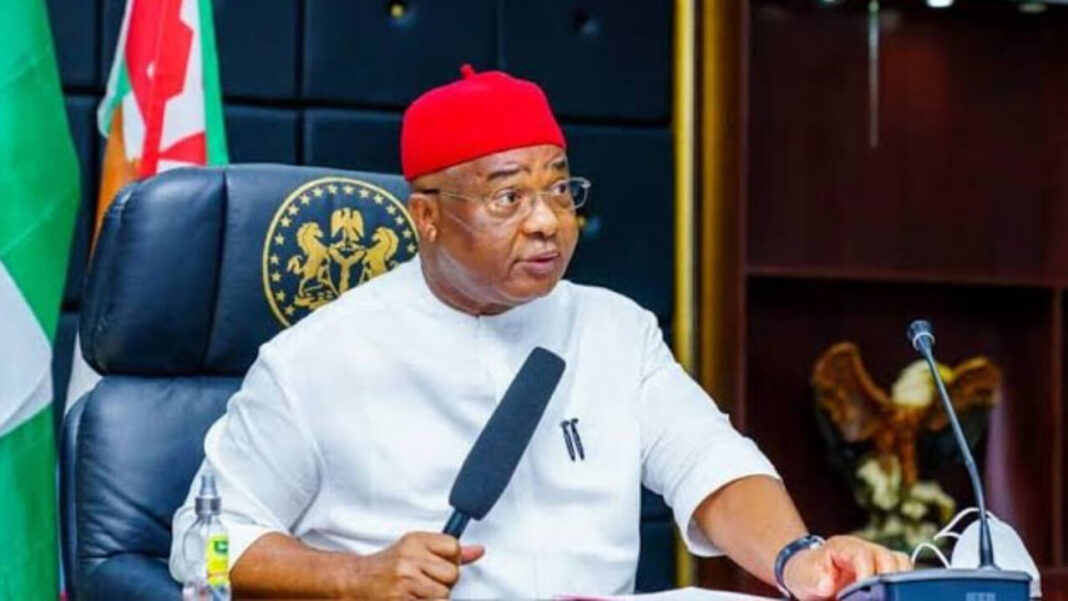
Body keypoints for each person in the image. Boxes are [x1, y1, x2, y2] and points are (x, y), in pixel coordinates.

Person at [169, 65, 911, 599]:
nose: (547, 221)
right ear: (427, 217)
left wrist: (797, 558)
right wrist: (352, 576)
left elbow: (710, 465)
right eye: (509, 197)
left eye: (559, 188)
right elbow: (205, 547)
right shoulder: (317, 358)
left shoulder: (614, 329)